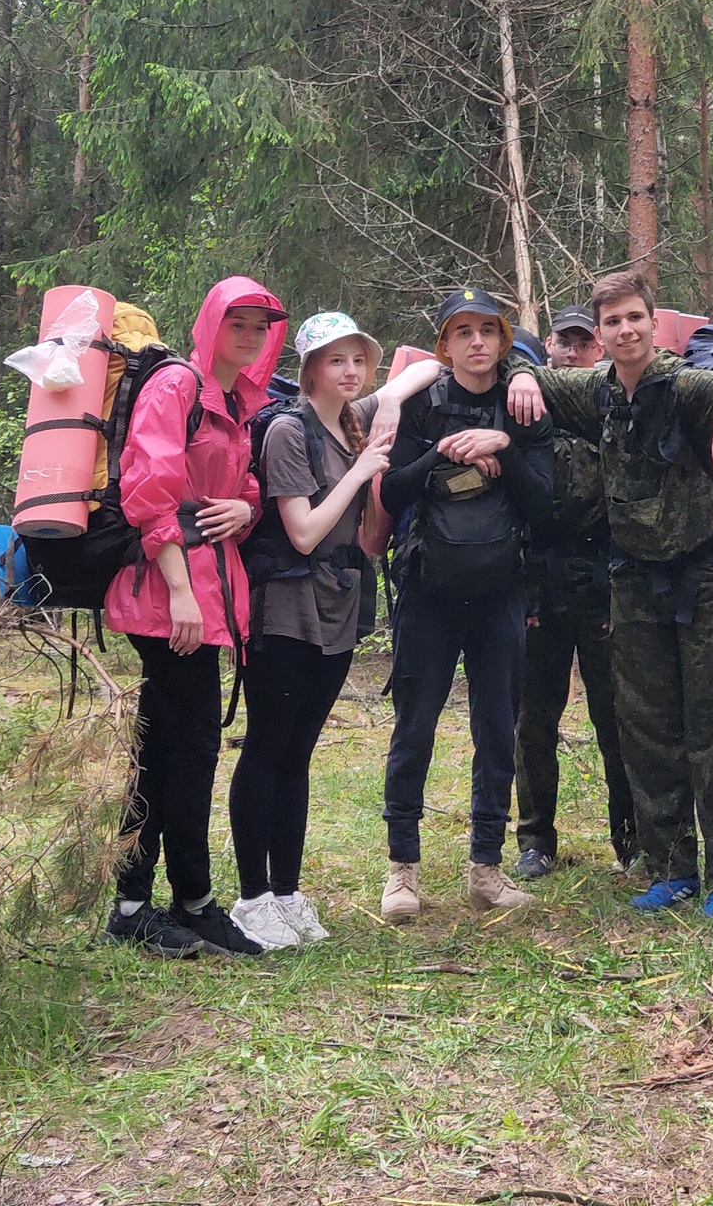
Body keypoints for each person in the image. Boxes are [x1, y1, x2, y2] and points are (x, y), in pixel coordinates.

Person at [506, 270, 713, 925]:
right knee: (646, 727)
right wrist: (523, 375)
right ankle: (671, 868)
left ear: (654, 323)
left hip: (703, 574)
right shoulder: (593, 390)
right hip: (631, 577)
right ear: (599, 335)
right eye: (613, 321)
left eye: (635, 318)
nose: (625, 330)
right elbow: (521, 369)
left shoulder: (685, 384)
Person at [102, 275, 286, 959]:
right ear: (210, 324)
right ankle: (182, 902)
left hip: (203, 593)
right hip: (167, 594)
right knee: (186, 749)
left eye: (259, 326)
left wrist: (247, 505)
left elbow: (233, 486)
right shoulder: (177, 385)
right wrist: (179, 591)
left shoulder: (235, 402)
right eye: (237, 323)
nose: (249, 336)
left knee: (168, 749)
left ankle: (146, 903)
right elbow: (149, 489)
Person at [377, 286, 555, 919]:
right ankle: (402, 870)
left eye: (488, 330)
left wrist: (504, 448)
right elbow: (390, 493)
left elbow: (546, 505)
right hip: (428, 589)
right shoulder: (421, 404)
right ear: (444, 345)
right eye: (463, 331)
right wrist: (441, 453)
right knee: (414, 727)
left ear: (503, 342)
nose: (477, 342)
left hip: (502, 591)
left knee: (497, 730)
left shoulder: (524, 406)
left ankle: (486, 868)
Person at [226, 311, 395, 951]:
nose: (350, 371)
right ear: (310, 368)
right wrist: (362, 469)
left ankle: (287, 892)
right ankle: (251, 898)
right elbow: (301, 531)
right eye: (335, 360)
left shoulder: (350, 425)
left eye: (358, 359)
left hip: (339, 604)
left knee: (299, 751)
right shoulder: (288, 431)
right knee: (268, 745)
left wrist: (383, 421)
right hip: (284, 604)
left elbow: (420, 375)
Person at [511, 306, 638, 881]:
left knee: (615, 715)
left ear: (597, 352)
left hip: (601, 577)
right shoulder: (520, 403)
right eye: (563, 341)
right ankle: (535, 839)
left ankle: (630, 839)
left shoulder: (609, 406)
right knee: (534, 717)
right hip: (538, 578)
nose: (571, 351)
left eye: (583, 343)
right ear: (548, 345)